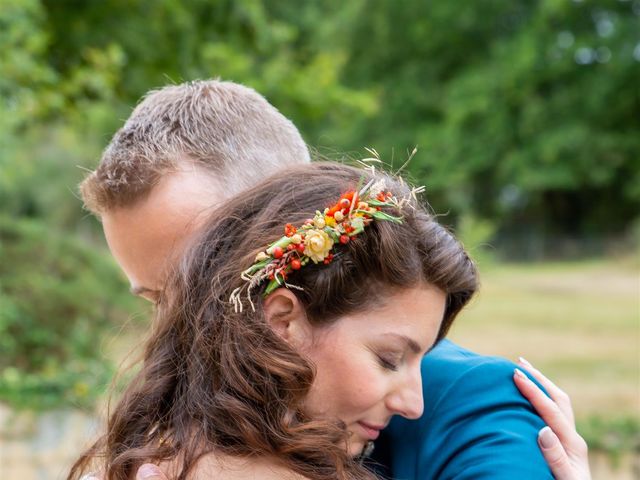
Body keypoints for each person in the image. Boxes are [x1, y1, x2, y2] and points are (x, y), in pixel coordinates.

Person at [76, 80, 589, 479]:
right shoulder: (171, 435)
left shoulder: (471, 406)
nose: (183, 328)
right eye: (159, 299)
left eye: (209, 272)